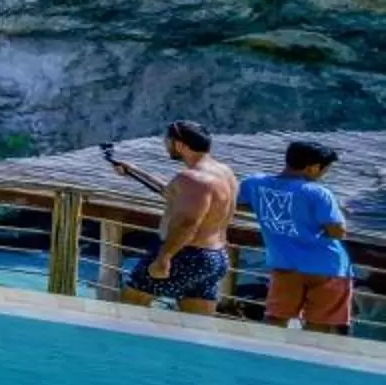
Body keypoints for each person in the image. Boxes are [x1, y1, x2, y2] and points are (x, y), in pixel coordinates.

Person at [104, 122, 237, 315]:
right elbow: (171, 194)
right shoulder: (225, 173)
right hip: (214, 257)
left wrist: (164, 258)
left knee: (128, 310)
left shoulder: (192, 178)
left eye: (167, 141)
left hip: (184, 254)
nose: (165, 145)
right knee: (197, 327)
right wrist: (134, 171)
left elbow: (187, 223)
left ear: (180, 144)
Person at [242, 139, 356, 335]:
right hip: (327, 267)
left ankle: (266, 359)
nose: (323, 175)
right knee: (319, 325)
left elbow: (240, 205)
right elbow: (338, 231)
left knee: (275, 318)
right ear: (312, 168)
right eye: (324, 170)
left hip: (284, 263)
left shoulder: (254, 184)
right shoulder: (318, 193)